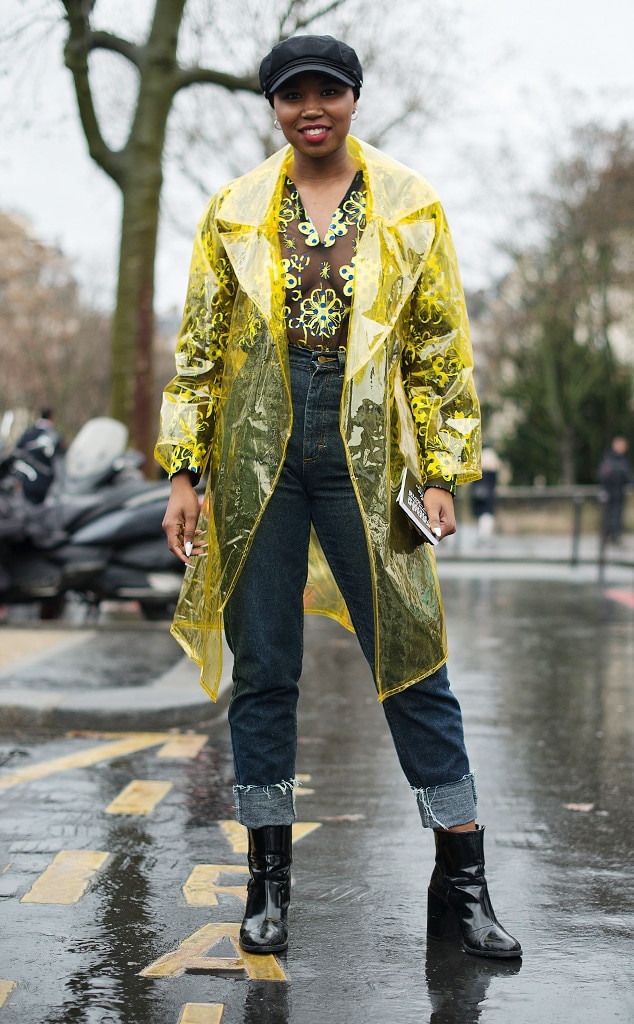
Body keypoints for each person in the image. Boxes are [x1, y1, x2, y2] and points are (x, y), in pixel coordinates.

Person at [156, 34, 521, 961]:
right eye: (291, 95)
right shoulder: (234, 210)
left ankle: (463, 880)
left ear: (354, 98)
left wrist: (441, 470)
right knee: (265, 670)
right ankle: (267, 883)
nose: (309, 107)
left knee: (412, 657)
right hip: (256, 460)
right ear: (273, 106)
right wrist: (185, 472)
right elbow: (200, 347)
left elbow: (440, 350)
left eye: (327, 91)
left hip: (367, 458)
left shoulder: (411, 206)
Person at [14, 407, 63, 503]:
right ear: (52, 417)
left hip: (26, 480)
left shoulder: (28, 433)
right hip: (45, 482)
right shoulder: (53, 436)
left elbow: (17, 454)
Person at [598, 436, 633, 543]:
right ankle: (607, 535)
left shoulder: (623, 461)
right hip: (609, 492)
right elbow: (603, 474)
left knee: (617, 514)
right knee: (607, 515)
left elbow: (628, 476)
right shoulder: (608, 458)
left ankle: (615, 535)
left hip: (619, 492)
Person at [469, 443, 501, 543]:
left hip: (478, 499)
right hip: (488, 501)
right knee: (486, 521)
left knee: (481, 521)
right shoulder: (493, 472)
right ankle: (484, 540)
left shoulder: (478, 471)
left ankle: (481, 539)